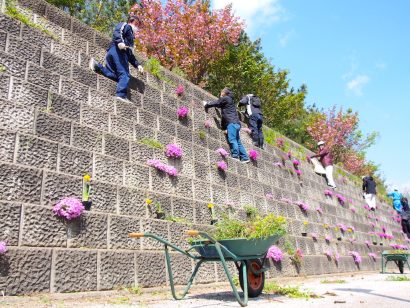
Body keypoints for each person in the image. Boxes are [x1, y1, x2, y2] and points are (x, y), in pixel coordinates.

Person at [89, 15, 144, 102]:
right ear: (130, 21)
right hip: (117, 52)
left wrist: (138, 65)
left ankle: (97, 66)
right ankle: (121, 95)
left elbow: (130, 54)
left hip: (121, 54)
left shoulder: (131, 39)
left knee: (117, 77)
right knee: (125, 75)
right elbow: (118, 30)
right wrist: (120, 42)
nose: (136, 27)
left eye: (138, 25)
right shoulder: (126, 26)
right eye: (136, 24)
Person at [203, 88, 250, 163]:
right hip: (236, 124)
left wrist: (206, 104)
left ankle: (235, 156)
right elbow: (223, 109)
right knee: (238, 141)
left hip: (231, 123)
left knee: (232, 140)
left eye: (221, 92)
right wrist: (224, 127)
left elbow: (217, 102)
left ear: (224, 93)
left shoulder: (226, 98)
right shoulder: (230, 100)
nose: (220, 94)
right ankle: (245, 157)